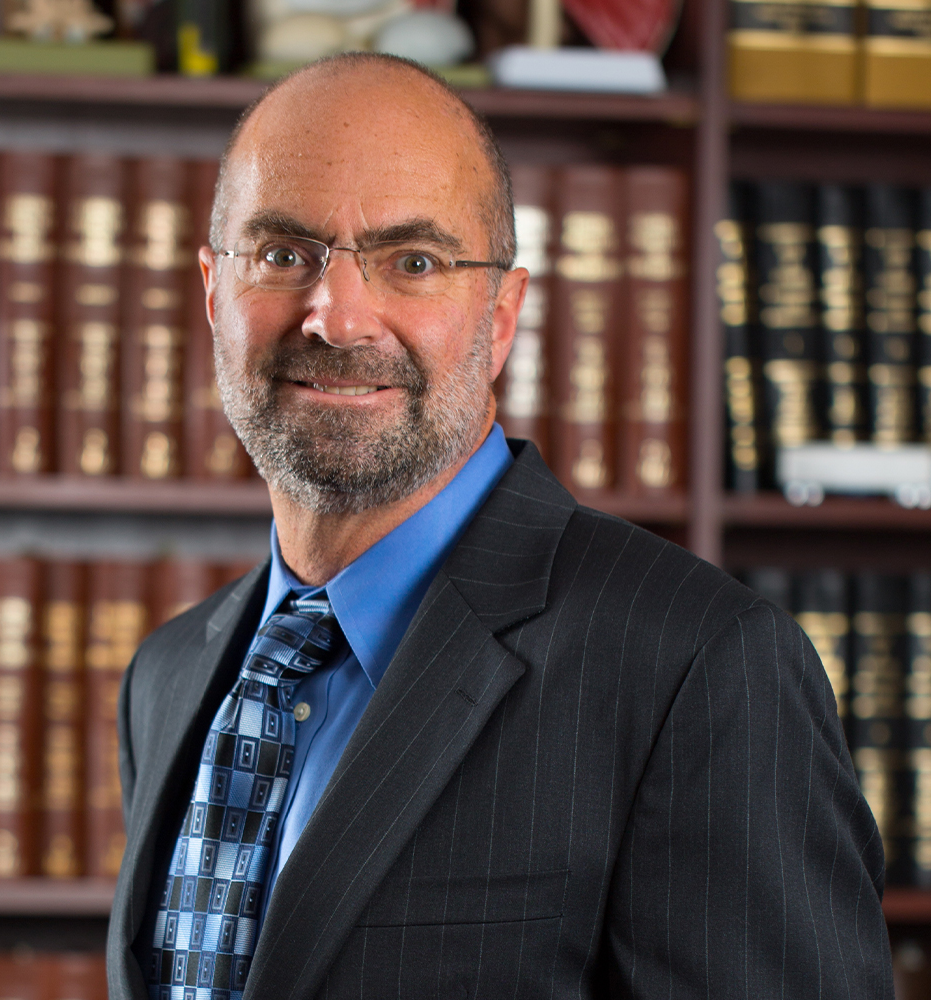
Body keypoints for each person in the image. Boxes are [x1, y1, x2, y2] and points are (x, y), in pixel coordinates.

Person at [108, 53, 891, 1000]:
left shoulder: (699, 668)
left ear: (504, 314)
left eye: (415, 262)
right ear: (210, 291)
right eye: (281, 254)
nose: (339, 316)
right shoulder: (171, 675)